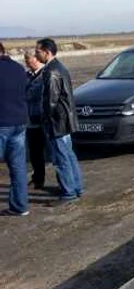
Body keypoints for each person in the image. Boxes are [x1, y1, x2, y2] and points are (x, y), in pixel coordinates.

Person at [35, 38, 83, 203]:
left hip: (57, 122)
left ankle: (68, 192)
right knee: (68, 155)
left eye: (37, 51)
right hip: (64, 120)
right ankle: (75, 187)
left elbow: (51, 100)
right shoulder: (59, 67)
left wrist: (46, 119)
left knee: (61, 158)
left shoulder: (52, 71)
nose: (36, 55)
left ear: (46, 52)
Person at [0, 42, 30, 216]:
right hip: (19, 123)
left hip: (2, 123)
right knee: (18, 167)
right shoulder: (19, 69)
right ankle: (20, 206)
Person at [24, 52, 48, 190]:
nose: (27, 63)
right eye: (25, 61)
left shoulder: (45, 74)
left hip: (44, 118)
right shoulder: (28, 75)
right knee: (34, 152)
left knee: (53, 153)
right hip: (31, 120)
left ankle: (65, 184)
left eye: (28, 60)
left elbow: (32, 93)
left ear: (36, 59)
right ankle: (38, 179)